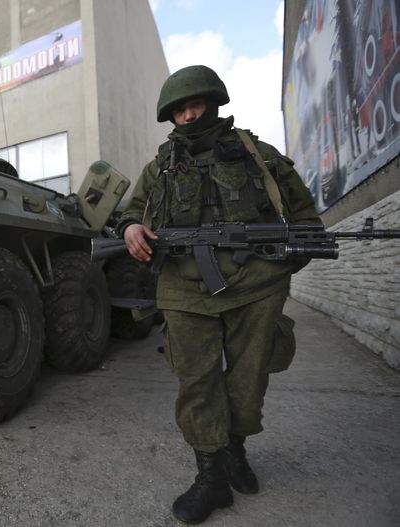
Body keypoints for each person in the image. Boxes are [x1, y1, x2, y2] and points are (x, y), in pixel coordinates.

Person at [116, 65, 321, 524]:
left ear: (214, 102)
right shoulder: (159, 167)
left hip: (256, 289)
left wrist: (283, 264)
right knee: (197, 381)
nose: (187, 116)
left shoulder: (259, 155)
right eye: (178, 111)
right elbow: (130, 212)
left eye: (194, 105)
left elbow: (306, 219)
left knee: (248, 381)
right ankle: (211, 478)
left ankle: (235, 451)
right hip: (183, 289)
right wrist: (130, 227)